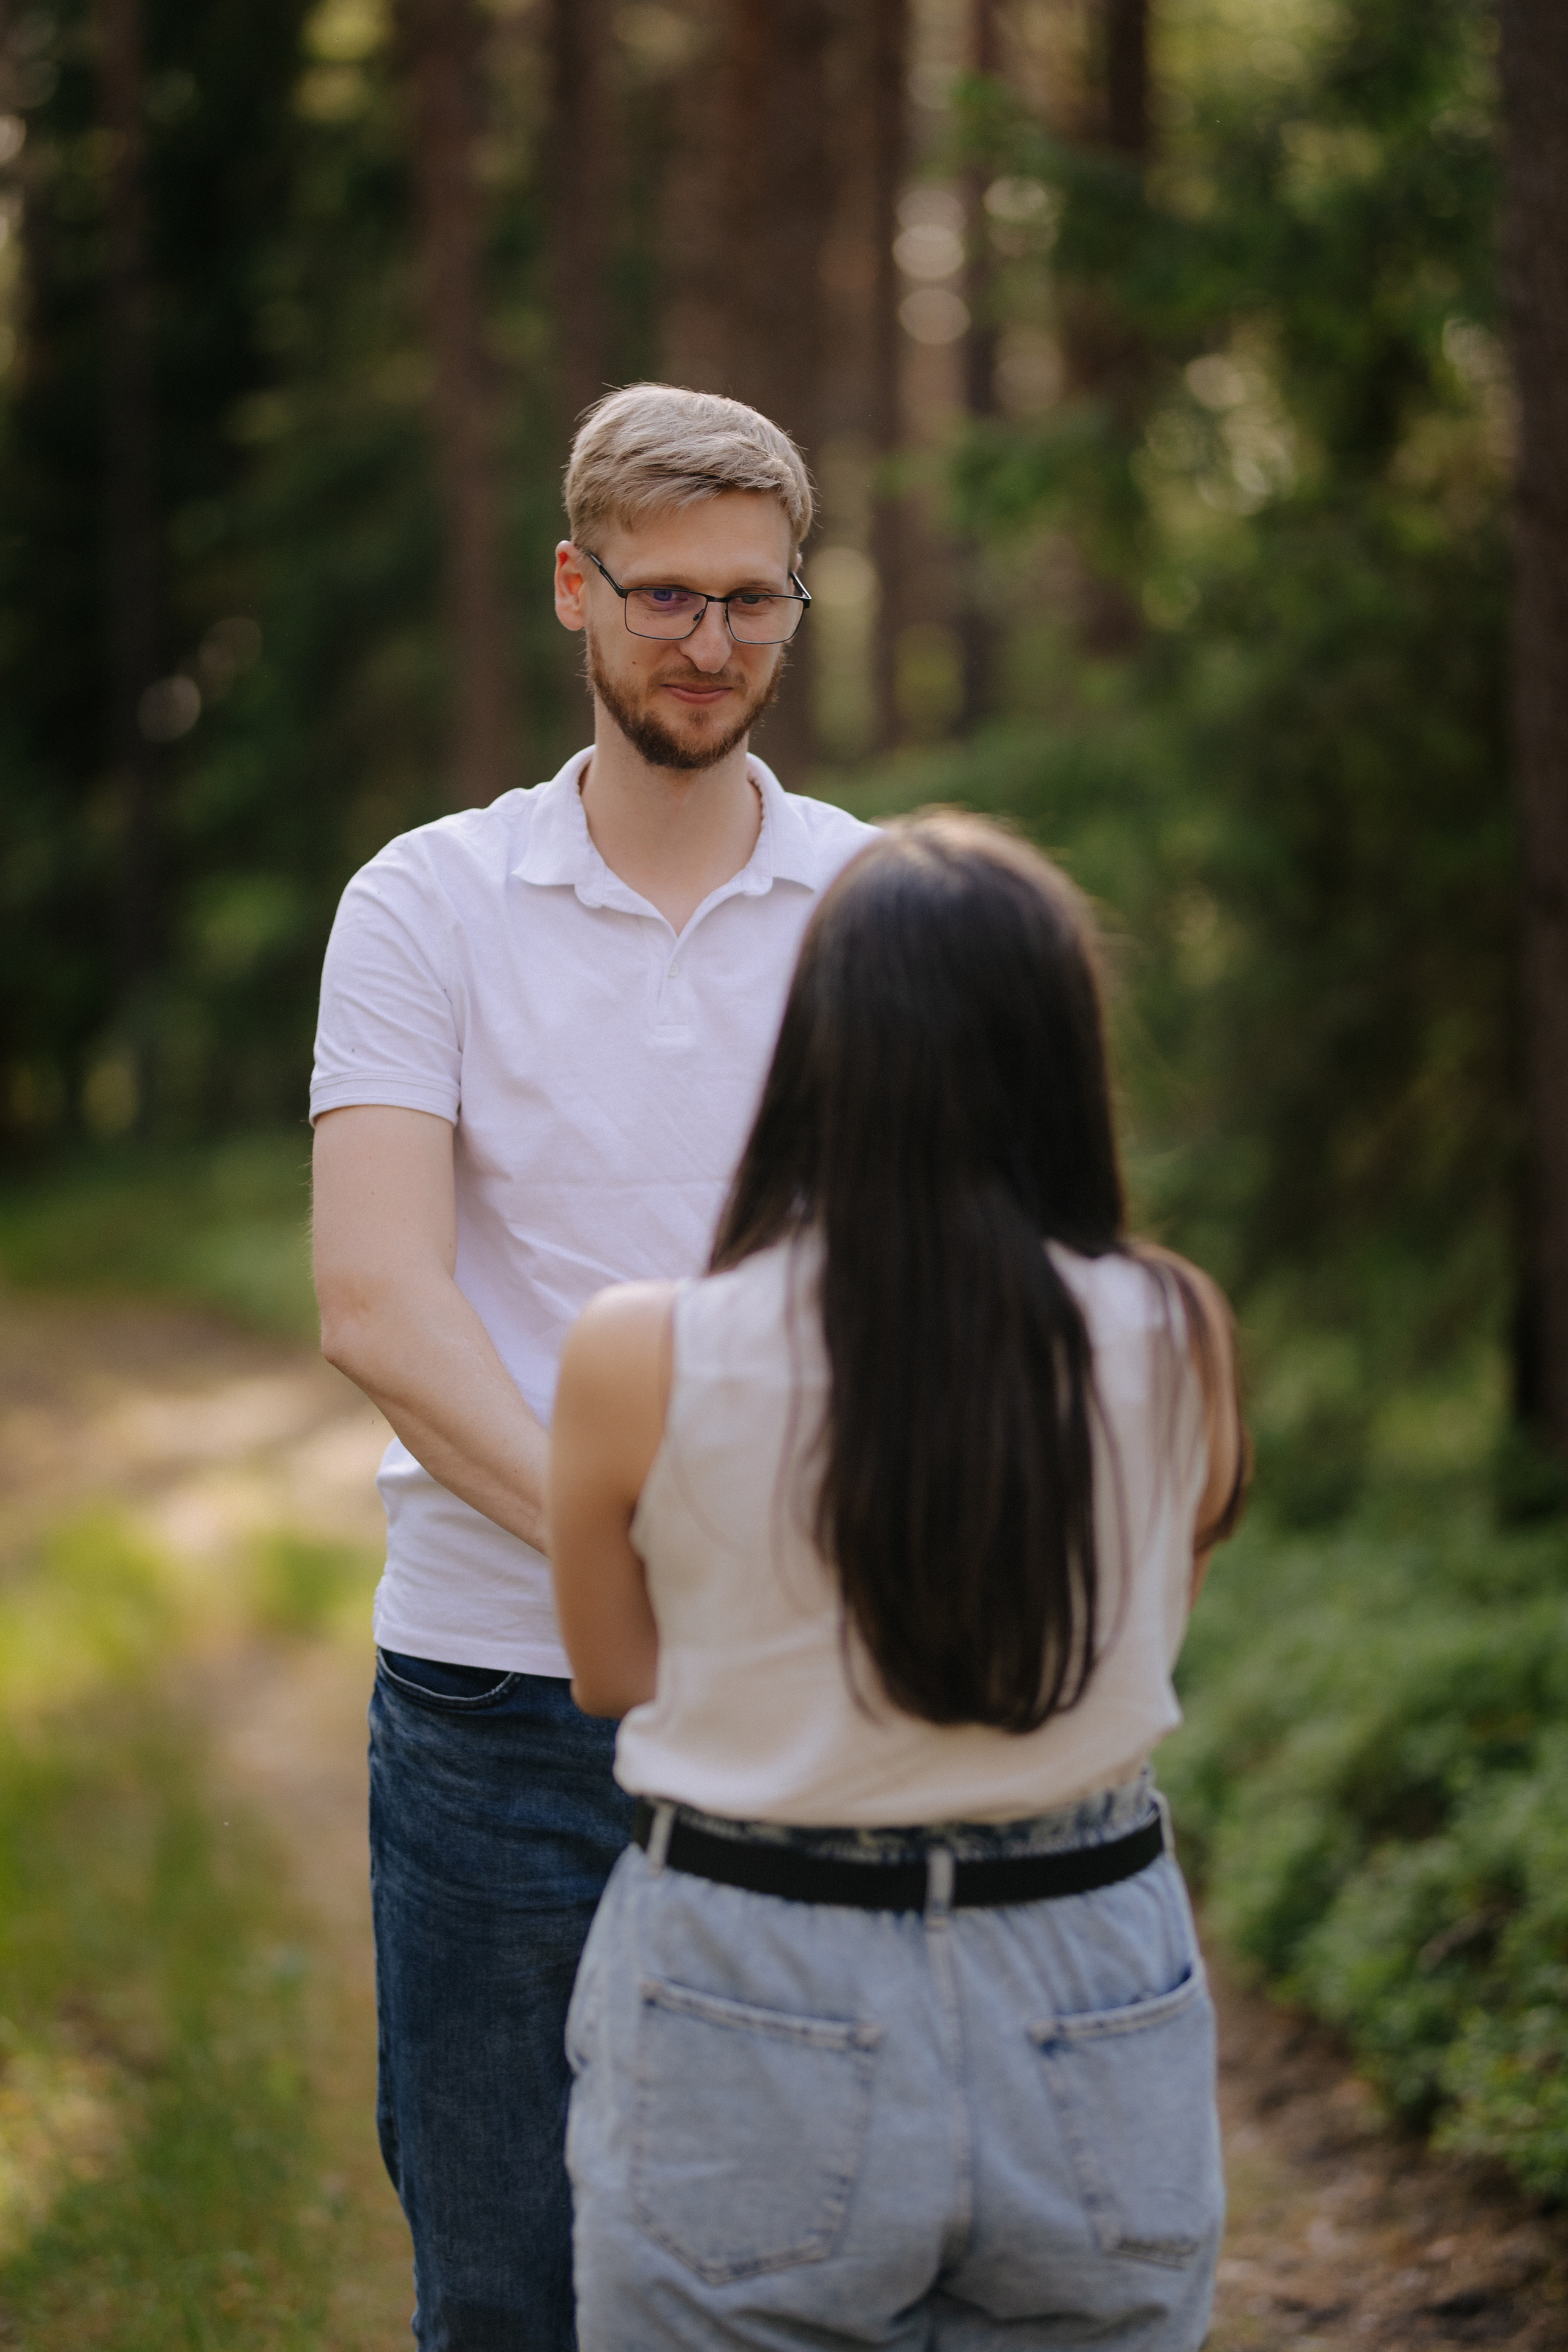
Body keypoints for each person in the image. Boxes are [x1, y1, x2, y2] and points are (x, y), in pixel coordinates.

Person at [309, 383, 876, 2349]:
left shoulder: (881, 904)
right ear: (575, 587)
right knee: (507, 2291)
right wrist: (634, 1551)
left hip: (802, 1699)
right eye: (664, 596)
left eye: (752, 599)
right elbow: (380, 1303)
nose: (710, 644)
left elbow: (931, 1290)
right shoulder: (426, 901)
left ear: (796, 602)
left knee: (805, 2276)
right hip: (494, 1712)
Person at [550, 812, 1250, 2352]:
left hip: (754, 1971)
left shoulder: (639, 1353)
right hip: (1087, 1973)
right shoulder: (1178, 1336)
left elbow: (611, 1675)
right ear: (1059, 1054)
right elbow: (1133, 1642)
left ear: (819, 1049)